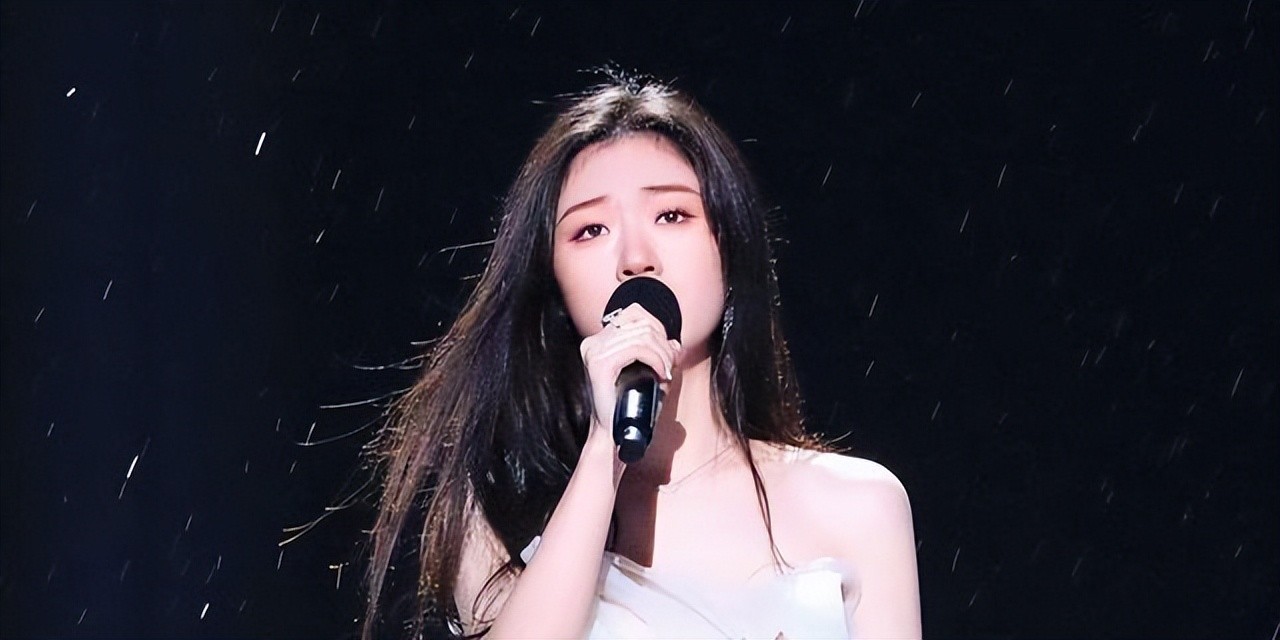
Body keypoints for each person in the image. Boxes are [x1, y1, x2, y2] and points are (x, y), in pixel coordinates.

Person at [362, 70, 921, 639]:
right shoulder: (500, 518)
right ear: (552, 281)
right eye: (591, 230)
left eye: (671, 216)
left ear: (728, 246)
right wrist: (604, 451)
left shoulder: (857, 506)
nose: (635, 257)